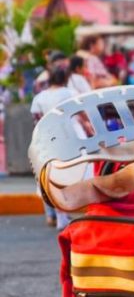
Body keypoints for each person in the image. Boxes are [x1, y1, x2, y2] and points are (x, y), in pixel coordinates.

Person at [30, 67, 74, 228]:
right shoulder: (68, 93)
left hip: (44, 138)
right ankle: (62, 215)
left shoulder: (39, 97)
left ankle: (50, 215)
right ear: (64, 79)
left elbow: (35, 117)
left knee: (45, 175)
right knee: (61, 177)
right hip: (64, 139)